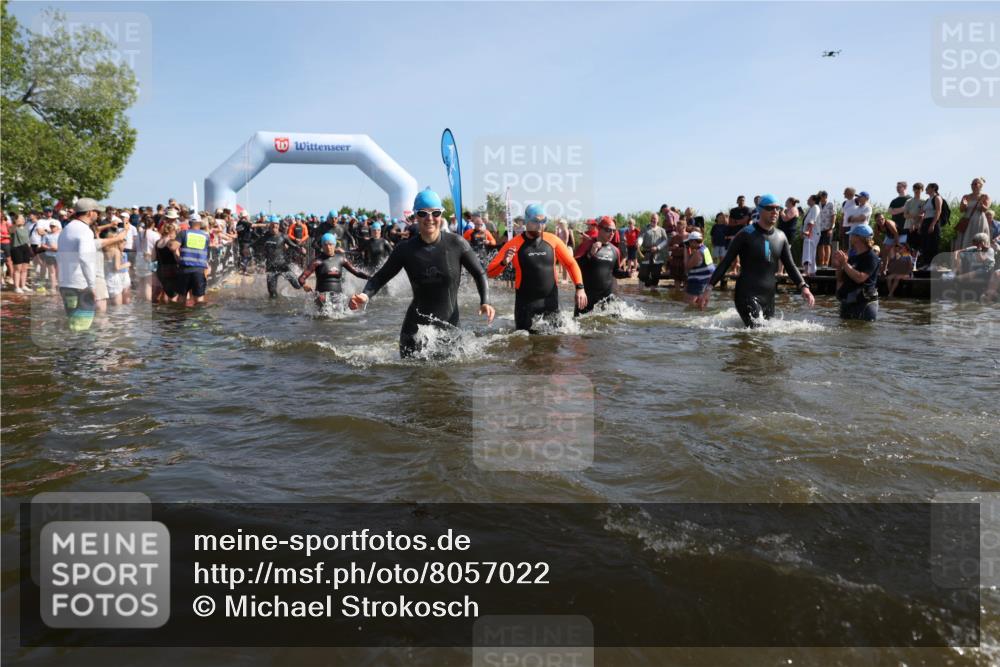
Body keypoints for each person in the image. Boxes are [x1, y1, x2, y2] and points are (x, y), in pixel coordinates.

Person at [349, 189, 493, 357]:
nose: (429, 218)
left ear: (441, 215)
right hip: (414, 332)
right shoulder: (405, 249)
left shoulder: (456, 244)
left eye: (435, 213)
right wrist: (365, 296)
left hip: (450, 330)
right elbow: (381, 277)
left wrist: (485, 301)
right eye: (423, 213)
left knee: (449, 380)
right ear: (416, 216)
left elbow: (479, 273)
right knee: (413, 380)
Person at [703, 194, 815, 327]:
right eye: (770, 208)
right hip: (746, 294)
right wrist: (709, 288)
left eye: (777, 208)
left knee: (766, 338)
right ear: (760, 210)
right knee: (757, 332)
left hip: (769, 297)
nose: (775, 212)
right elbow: (725, 262)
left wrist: (804, 287)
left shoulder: (781, 236)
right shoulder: (745, 234)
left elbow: (790, 266)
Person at [487, 204, 584, 331]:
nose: (540, 225)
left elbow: (571, 264)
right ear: (527, 221)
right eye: (536, 221)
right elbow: (490, 272)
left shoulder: (553, 240)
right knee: (524, 343)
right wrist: (504, 263)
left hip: (551, 302)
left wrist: (580, 288)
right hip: (525, 305)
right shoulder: (514, 244)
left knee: (554, 345)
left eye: (543, 221)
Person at [56, 198, 102, 330]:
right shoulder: (84, 230)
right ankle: (81, 350)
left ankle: (71, 350)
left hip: (66, 284)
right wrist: (92, 286)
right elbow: (85, 258)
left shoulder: (67, 229)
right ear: (89, 213)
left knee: (72, 323)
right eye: (97, 212)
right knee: (82, 327)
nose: (98, 215)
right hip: (81, 286)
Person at [298, 233, 370, 311]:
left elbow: (357, 273)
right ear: (322, 246)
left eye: (330, 244)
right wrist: (304, 285)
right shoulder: (317, 261)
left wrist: (371, 278)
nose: (328, 247)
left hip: (338, 296)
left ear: (335, 245)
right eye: (325, 245)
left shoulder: (341, 259)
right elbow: (301, 278)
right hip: (322, 297)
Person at [573, 216, 627, 315]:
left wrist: (627, 273)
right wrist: (590, 254)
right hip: (588, 298)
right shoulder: (587, 245)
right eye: (608, 230)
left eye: (614, 231)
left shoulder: (615, 250)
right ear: (599, 229)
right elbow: (575, 268)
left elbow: (616, 272)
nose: (611, 233)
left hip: (608, 299)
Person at [832, 224, 880, 321]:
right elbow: (840, 278)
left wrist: (845, 264)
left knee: (861, 333)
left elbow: (860, 278)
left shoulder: (871, 257)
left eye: (852, 235)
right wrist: (839, 266)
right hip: (849, 302)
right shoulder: (853, 257)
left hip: (864, 304)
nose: (850, 237)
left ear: (859, 238)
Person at [257, 221, 304, 298]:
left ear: (278, 227)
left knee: (297, 285)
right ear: (269, 227)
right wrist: (248, 247)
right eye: (272, 227)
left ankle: (310, 292)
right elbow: (256, 244)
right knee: (272, 293)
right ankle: (273, 308)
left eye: (276, 227)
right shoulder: (265, 237)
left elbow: (293, 245)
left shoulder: (283, 236)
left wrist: (300, 249)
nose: (274, 229)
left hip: (282, 265)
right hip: (271, 267)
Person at [175, 214, 211, 305]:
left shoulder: (184, 233)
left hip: (185, 269)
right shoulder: (206, 236)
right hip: (199, 270)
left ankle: (180, 317)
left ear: (190, 223)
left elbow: (173, 247)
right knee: (199, 299)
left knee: (182, 296)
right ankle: (198, 317)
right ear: (199, 223)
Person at [683, 230, 715, 309]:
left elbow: (687, 266)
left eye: (689, 242)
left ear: (694, 241)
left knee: (689, 303)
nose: (689, 244)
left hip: (698, 282)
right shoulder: (705, 249)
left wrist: (686, 250)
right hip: (705, 280)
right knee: (700, 304)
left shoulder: (698, 253)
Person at [958, 177, 991, 250]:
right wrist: (964, 205)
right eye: (972, 184)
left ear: (981, 185)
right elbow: (961, 210)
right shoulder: (966, 196)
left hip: (979, 220)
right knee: (966, 238)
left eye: (975, 184)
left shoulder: (985, 196)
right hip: (968, 219)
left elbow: (985, 209)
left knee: (979, 239)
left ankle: (981, 257)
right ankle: (966, 256)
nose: (973, 186)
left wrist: (981, 204)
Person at [919, 183, 946, 270]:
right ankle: (927, 263)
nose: (926, 189)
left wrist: (933, 224)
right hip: (926, 222)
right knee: (925, 244)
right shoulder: (927, 200)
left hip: (933, 221)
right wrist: (920, 226)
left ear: (933, 188)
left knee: (933, 244)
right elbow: (923, 212)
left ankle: (934, 264)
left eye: (927, 188)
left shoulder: (937, 198)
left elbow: (938, 212)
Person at [639, 213, 668, 287]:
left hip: (657, 256)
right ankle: (643, 294)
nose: (653, 220)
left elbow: (665, 241)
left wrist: (657, 248)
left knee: (655, 276)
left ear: (658, 220)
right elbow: (641, 237)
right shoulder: (645, 229)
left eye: (655, 218)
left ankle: (653, 291)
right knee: (643, 275)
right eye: (652, 218)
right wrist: (638, 242)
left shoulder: (662, 230)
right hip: (646, 254)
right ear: (650, 219)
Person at [155, 222, 181, 303]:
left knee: (166, 291)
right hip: (171, 270)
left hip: (160, 270)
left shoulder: (157, 242)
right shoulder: (171, 242)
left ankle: (165, 311)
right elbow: (177, 257)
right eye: (175, 232)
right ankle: (171, 314)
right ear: (171, 232)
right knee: (174, 294)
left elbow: (153, 257)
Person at [9, 214, 32, 293]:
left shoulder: (26, 228)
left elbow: (28, 240)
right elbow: (11, 231)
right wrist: (15, 223)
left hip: (26, 248)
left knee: (25, 269)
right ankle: (17, 287)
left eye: (23, 218)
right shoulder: (14, 227)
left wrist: (30, 249)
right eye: (21, 218)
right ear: (16, 220)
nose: (23, 220)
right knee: (17, 269)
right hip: (16, 248)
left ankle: (23, 285)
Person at [800, 195, 821, 275]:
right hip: (809, 233)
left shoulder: (815, 207)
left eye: (808, 199)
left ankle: (807, 271)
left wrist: (808, 231)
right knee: (810, 252)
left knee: (808, 251)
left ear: (813, 200)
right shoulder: (810, 208)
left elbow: (812, 221)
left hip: (812, 233)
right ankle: (812, 271)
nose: (807, 200)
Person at [817, 190, 835, 268]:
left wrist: (831, 228)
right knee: (820, 245)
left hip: (828, 228)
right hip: (819, 228)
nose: (819, 198)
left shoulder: (831, 204)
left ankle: (826, 263)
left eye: (820, 197)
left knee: (827, 245)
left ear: (825, 197)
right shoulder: (818, 204)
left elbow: (833, 216)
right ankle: (821, 262)